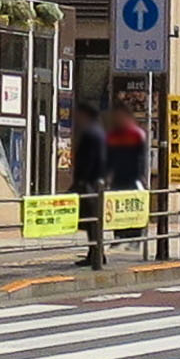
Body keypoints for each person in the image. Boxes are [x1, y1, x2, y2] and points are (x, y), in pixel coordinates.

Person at [69, 101, 108, 267]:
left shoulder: (91, 133)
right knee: (93, 220)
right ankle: (96, 253)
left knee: (92, 220)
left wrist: (82, 180)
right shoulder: (98, 131)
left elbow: (89, 160)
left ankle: (96, 254)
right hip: (96, 181)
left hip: (90, 183)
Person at [104, 104, 149, 244]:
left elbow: (141, 157)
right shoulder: (113, 135)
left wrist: (142, 175)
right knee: (117, 206)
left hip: (133, 176)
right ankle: (119, 235)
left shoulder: (136, 134)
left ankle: (135, 235)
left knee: (133, 204)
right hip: (118, 176)